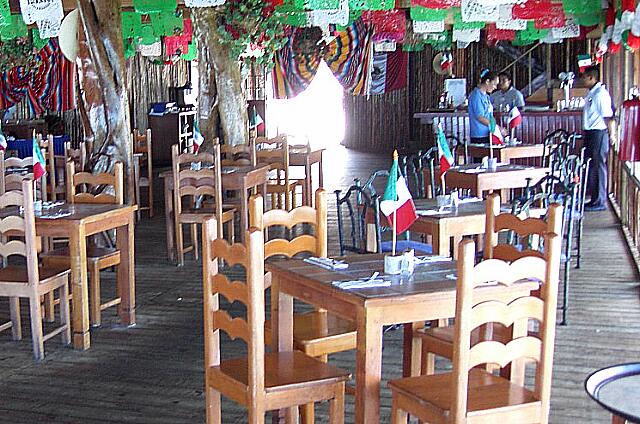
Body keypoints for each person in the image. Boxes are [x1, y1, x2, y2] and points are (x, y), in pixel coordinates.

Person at [580, 65, 614, 212]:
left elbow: (608, 116)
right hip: (591, 133)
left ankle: (600, 201)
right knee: (592, 167)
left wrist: (612, 135)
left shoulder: (600, 94)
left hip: (599, 133)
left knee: (598, 167)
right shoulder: (592, 93)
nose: (582, 80)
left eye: (584, 77)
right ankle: (594, 199)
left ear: (592, 77)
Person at [468, 69, 504, 144]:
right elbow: (480, 117)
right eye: (494, 84)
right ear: (487, 82)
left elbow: (489, 115)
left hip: (488, 133)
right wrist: (496, 127)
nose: (495, 87)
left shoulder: (486, 96)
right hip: (479, 135)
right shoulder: (476, 95)